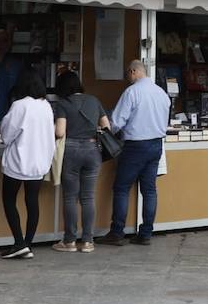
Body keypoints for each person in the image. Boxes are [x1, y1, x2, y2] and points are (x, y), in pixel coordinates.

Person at [103, 60, 172, 246]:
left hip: (135, 146)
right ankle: (146, 233)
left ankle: (117, 232)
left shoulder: (132, 92)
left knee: (122, 188)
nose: (127, 78)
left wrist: (106, 129)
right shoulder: (162, 93)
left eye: (128, 74)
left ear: (133, 71)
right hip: (156, 145)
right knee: (149, 190)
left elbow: (117, 122)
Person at [51, 71, 110, 253]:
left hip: (71, 150)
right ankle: (87, 242)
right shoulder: (94, 100)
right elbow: (107, 126)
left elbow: (60, 132)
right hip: (92, 151)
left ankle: (69, 241)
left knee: (70, 197)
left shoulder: (62, 104)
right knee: (88, 197)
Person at [0, 70, 55, 259]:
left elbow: (7, 135)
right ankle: (28, 243)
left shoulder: (19, 105)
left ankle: (19, 242)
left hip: (18, 161)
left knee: (9, 199)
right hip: (39, 162)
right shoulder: (46, 105)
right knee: (32, 201)